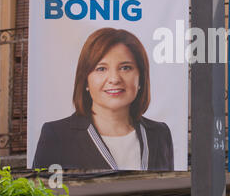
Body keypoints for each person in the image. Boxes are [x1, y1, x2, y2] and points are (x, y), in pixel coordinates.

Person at [32, 28, 174, 171]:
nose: (114, 79)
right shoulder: (57, 136)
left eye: (125, 68)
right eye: (101, 69)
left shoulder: (159, 134)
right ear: (85, 80)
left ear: (141, 78)